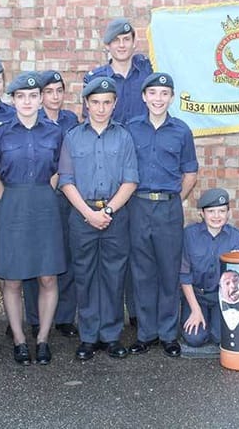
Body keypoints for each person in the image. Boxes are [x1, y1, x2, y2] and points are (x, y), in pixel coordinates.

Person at [0, 72, 66, 365]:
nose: (28, 101)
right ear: (14, 100)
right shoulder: (2, 132)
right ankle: (20, 340)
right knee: (13, 278)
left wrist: (45, 192)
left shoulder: (54, 132)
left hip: (44, 203)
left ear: (41, 98)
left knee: (47, 275)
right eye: (21, 96)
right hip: (13, 204)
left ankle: (43, 339)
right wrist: (7, 197)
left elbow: (61, 168)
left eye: (33, 96)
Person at [58, 77, 139, 361]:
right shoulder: (72, 137)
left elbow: (130, 181)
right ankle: (89, 336)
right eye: (95, 102)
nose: (101, 108)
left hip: (115, 215)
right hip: (83, 216)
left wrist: (106, 212)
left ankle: (111, 335)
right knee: (85, 275)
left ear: (115, 104)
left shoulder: (124, 136)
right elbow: (66, 181)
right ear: (87, 104)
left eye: (107, 103)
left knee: (114, 276)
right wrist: (89, 214)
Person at [84, 17, 154, 328]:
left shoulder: (147, 72)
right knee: (112, 248)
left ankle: (137, 313)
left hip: (140, 170)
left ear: (133, 42)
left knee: (135, 247)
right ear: (108, 45)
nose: (122, 45)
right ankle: (105, 315)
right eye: (116, 41)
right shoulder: (97, 77)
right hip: (108, 169)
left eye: (127, 39)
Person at [126, 72, 198, 358]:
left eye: (164, 94)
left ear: (171, 98)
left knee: (169, 271)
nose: (158, 99)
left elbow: (190, 172)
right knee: (142, 272)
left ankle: (168, 334)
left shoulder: (181, 130)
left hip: (168, 206)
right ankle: (146, 333)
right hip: (138, 205)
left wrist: (173, 200)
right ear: (144, 97)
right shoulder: (131, 129)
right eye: (153, 93)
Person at [35, 69, 80, 338]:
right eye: (49, 91)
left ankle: (64, 317)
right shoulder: (32, 119)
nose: (55, 96)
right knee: (36, 260)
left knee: (67, 257)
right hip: (40, 197)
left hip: (67, 198)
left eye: (59, 91)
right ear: (40, 96)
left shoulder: (71, 120)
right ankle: (34, 317)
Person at [179, 188, 239, 348]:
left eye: (221, 211)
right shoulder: (188, 235)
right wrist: (195, 310)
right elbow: (184, 275)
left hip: (223, 298)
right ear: (202, 214)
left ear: (228, 213)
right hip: (196, 296)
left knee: (221, 337)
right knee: (194, 338)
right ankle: (196, 316)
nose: (216, 216)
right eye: (211, 211)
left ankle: (214, 324)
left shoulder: (237, 239)